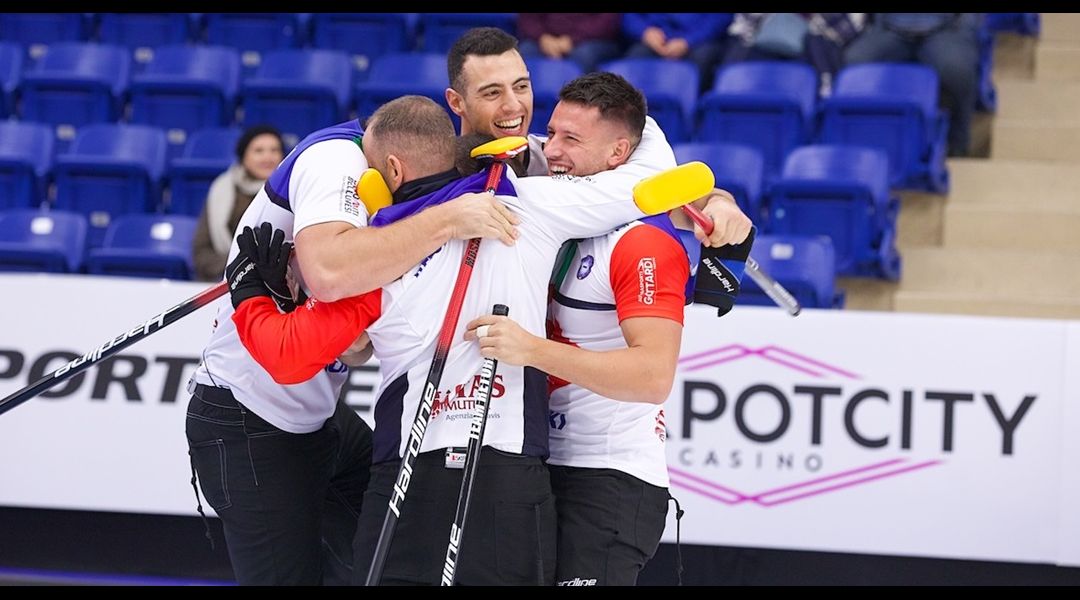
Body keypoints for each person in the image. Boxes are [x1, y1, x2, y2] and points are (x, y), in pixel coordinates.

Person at [228, 85, 688, 584]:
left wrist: (253, 293)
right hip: (515, 473)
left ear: (394, 172)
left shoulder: (376, 253)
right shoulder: (532, 205)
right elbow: (649, 171)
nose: (551, 149)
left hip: (413, 473)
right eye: (547, 137)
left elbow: (295, 354)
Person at [184, 110, 520, 585]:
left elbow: (354, 347)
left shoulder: (395, 226)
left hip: (318, 418)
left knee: (374, 560)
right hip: (248, 418)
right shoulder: (342, 169)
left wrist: (263, 298)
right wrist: (255, 299)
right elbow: (305, 329)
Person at [463, 73, 750, 586]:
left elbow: (651, 375)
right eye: (552, 134)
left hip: (609, 477)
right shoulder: (570, 211)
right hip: (540, 465)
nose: (552, 151)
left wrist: (531, 350)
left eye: (571, 140)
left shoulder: (641, 243)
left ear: (620, 153)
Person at [843, 13, 981, 156]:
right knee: (854, 64)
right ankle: (855, 143)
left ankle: (958, 143)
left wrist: (965, 28)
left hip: (945, 30)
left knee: (958, 70)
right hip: (888, 30)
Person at [191, 125, 284, 281]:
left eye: (274, 150)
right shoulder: (222, 190)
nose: (268, 157)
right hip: (227, 280)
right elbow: (201, 252)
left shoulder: (290, 192)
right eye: (259, 151)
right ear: (243, 157)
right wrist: (239, 267)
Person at [723, 13, 865, 96]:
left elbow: (851, 27)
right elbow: (743, 25)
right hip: (766, 40)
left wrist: (813, 21)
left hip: (820, 46)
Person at [622, 13, 731, 93]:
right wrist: (645, 32)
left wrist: (688, 41)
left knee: (704, 57)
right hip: (654, 39)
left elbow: (720, 19)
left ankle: (690, 116)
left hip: (698, 42)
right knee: (637, 56)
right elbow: (629, 17)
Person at [516, 13, 623, 74]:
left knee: (584, 54)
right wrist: (542, 37)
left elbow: (607, 22)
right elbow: (527, 19)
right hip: (544, 39)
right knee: (524, 51)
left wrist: (573, 39)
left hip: (591, 41)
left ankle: (580, 102)